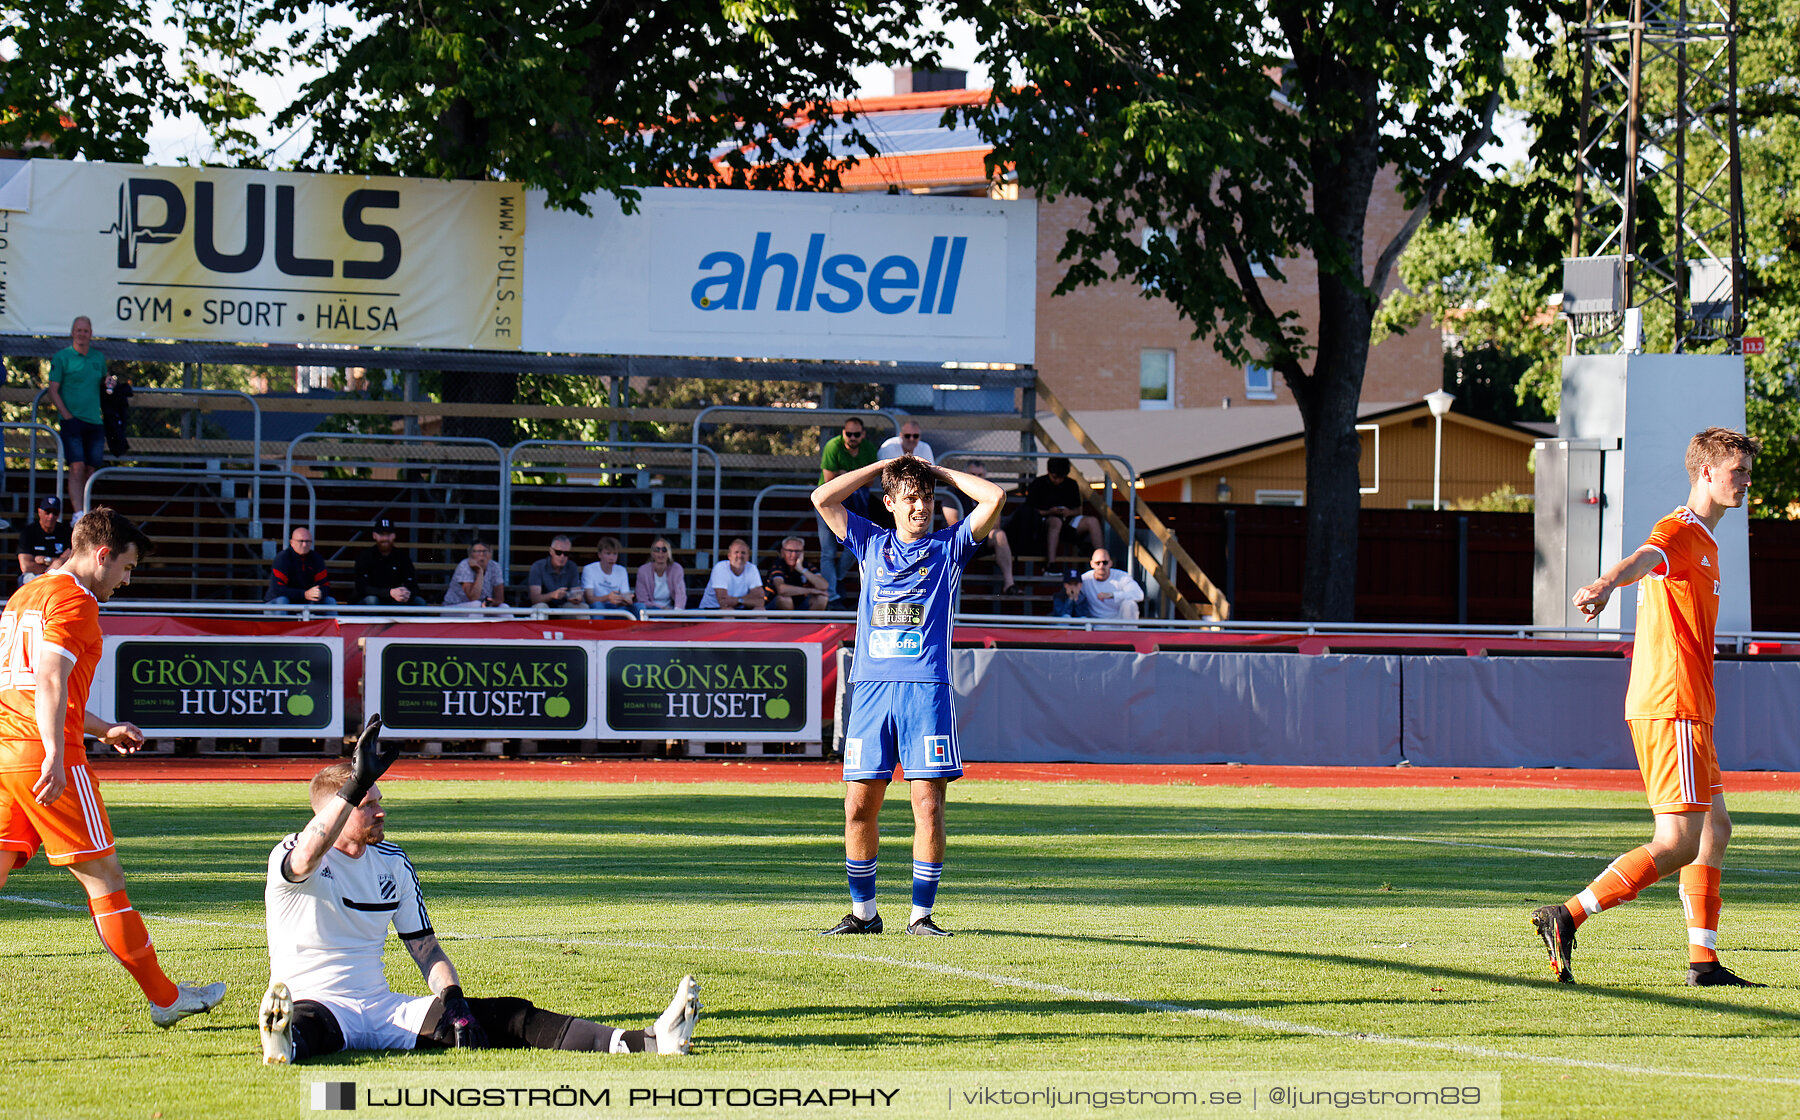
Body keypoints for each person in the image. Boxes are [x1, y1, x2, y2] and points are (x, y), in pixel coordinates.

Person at [257, 717, 701, 1064]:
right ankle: (284, 1039)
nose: (381, 809)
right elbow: (308, 855)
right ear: (339, 807)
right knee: (309, 1025)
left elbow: (425, 948)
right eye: (368, 803)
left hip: (380, 1007)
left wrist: (455, 1003)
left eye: (377, 799)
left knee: (508, 1015)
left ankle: (647, 1042)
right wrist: (353, 786)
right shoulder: (297, 851)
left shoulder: (392, 860)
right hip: (317, 1001)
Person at [1531, 426, 1764, 988]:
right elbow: (1645, 556)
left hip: (1692, 708)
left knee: (1716, 830)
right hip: (1672, 704)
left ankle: (1704, 961)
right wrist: (1607, 583)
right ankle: (1567, 914)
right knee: (1679, 841)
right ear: (1706, 472)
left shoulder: (1707, 542)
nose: (1747, 481)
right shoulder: (1681, 530)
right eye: (1739, 470)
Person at [0, 508, 226, 1027]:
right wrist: (58, 752)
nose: (126, 580)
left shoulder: (27, 593)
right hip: (44, 754)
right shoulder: (76, 601)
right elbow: (51, 680)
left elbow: (28, 682)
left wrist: (103, 730)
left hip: (7, 751)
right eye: (126, 567)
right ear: (102, 555)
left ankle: (167, 995)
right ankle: (167, 999)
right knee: (104, 877)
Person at [812, 454, 1005, 937]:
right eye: (912, 498)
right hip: (873, 691)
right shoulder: (869, 541)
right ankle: (864, 913)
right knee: (858, 805)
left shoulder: (950, 546)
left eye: (928, 498)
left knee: (928, 804)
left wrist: (933, 471)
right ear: (890, 503)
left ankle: (921, 916)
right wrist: (884, 465)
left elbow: (994, 498)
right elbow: (822, 497)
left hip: (926, 691)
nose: (922, 506)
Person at [47, 316, 107, 519]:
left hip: (95, 421)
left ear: (91, 333)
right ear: (72, 332)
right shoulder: (61, 357)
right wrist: (67, 416)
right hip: (71, 420)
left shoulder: (98, 358)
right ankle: (78, 514)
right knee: (76, 466)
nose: (82, 334)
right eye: (78, 330)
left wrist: (110, 383)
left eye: (86, 331)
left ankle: (87, 510)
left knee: (91, 468)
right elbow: (53, 390)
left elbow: (102, 385)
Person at [816, 416, 878, 607]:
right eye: (848, 433)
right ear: (843, 433)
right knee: (828, 551)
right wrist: (856, 476)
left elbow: (870, 481)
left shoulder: (868, 449)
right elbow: (829, 481)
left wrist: (845, 475)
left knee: (854, 546)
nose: (852, 437)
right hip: (829, 503)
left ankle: (838, 579)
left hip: (856, 503)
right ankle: (832, 596)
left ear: (863, 434)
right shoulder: (833, 446)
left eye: (856, 434)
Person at [1007, 457, 1104, 569]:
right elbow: (1030, 511)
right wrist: (1049, 512)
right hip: (1044, 523)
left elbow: (1078, 510)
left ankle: (1101, 558)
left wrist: (1069, 512)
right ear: (1049, 472)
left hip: (1068, 521)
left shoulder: (1071, 484)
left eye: (1061, 477)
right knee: (1055, 521)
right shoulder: (1038, 484)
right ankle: (1051, 564)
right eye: (1055, 477)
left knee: (1093, 521)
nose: (1058, 480)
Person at [944, 461, 1020, 594]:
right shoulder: (953, 491)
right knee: (953, 538)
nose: (977, 478)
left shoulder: (991, 491)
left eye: (980, 475)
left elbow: (995, 524)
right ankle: (953, 585)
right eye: (973, 474)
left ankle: (1009, 584)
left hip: (981, 538)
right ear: (965, 474)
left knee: (999, 535)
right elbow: (953, 522)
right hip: (960, 538)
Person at [353, 517, 422, 607]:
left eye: (389, 534)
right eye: (381, 534)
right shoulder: (365, 556)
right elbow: (362, 588)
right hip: (371, 601)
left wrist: (406, 593)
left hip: (395, 600)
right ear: (374, 535)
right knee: (372, 600)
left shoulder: (402, 557)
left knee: (419, 602)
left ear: (394, 536)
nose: (385, 538)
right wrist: (389, 592)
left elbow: (413, 585)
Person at [266, 526, 335, 608]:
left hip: (307, 601)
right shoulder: (282, 558)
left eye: (308, 541)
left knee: (330, 601)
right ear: (291, 542)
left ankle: (333, 621)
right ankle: (283, 621)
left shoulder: (317, 558)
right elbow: (278, 589)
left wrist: (319, 593)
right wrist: (304, 594)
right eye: (301, 541)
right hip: (278, 602)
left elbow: (325, 585)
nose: (304, 544)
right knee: (282, 601)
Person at [697, 538, 766, 612]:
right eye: (736, 552)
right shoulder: (720, 567)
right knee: (728, 611)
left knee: (760, 611)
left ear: (748, 557)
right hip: (711, 609)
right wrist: (748, 600)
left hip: (741, 608)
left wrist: (738, 600)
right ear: (729, 556)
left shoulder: (752, 568)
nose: (739, 555)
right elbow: (723, 602)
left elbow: (760, 601)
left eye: (743, 553)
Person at [764, 536, 829, 611]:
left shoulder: (806, 565)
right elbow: (781, 589)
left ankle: (813, 622)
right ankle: (787, 623)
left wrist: (802, 569)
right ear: (782, 552)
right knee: (785, 599)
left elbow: (824, 586)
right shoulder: (777, 565)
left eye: (798, 551)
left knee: (822, 598)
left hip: (801, 603)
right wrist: (811, 590)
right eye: (790, 551)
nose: (794, 555)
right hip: (773, 606)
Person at [17, 495, 71, 586]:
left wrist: (46, 560)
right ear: (39, 512)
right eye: (47, 512)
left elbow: (70, 561)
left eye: (55, 513)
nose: (51, 516)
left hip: (58, 576)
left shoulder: (66, 531)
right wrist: (55, 564)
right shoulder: (28, 532)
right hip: (34, 576)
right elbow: (26, 566)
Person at [1080, 549, 1144, 620]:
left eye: (1105, 562)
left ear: (1110, 563)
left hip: (1120, 621)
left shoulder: (1122, 576)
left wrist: (1112, 595)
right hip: (1095, 623)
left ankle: (1129, 631)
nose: (1101, 566)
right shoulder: (1084, 579)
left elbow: (1139, 594)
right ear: (1092, 564)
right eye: (1098, 563)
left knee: (1130, 604)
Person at [581, 536, 638, 617]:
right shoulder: (589, 569)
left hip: (617, 607)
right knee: (597, 606)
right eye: (608, 553)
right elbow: (589, 599)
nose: (612, 558)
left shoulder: (621, 570)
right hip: (598, 607)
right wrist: (608, 598)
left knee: (638, 607)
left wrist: (626, 599)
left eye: (615, 554)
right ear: (599, 554)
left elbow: (625, 594)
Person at [443, 539, 505, 610]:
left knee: (504, 607)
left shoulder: (495, 566)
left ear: (491, 554)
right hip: (455, 606)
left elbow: (500, 598)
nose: (481, 555)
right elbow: (473, 597)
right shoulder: (464, 566)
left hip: (483, 606)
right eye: (477, 552)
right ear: (470, 554)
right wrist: (479, 572)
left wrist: (490, 603)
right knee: (476, 605)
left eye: (485, 551)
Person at [527, 534, 583, 610]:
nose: (562, 556)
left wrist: (576, 598)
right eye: (558, 552)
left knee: (582, 607)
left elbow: (575, 592)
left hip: (564, 607)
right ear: (551, 551)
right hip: (545, 606)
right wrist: (552, 595)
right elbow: (534, 599)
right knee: (540, 607)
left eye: (566, 553)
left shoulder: (572, 567)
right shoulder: (538, 567)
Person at [634, 536, 687, 611]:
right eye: (657, 550)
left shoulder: (676, 569)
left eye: (664, 550)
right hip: (650, 610)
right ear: (652, 553)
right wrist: (662, 608)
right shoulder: (643, 571)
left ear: (668, 553)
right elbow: (642, 600)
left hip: (671, 610)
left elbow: (680, 595)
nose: (660, 553)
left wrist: (677, 611)